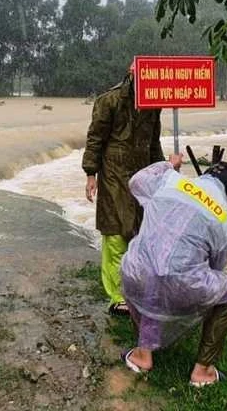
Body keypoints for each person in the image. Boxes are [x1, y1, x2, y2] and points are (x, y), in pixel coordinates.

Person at [119, 157, 227, 387]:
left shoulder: (171, 180)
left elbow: (136, 182)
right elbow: (215, 268)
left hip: (134, 274)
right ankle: (203, 371)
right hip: (180, 288)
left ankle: (142, 355)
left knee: (153, 272)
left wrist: (169, 164)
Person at [82, 64, 164, 317]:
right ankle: (118, 297)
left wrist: (163, 173)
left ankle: (135, 288)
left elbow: (153, 142)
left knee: (138, 233)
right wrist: (91, 174)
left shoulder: (153, 103)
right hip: (114, 176)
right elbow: (95, 137)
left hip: (142, 176)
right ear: (131, 74)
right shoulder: (110, 100)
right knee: (116, 232)